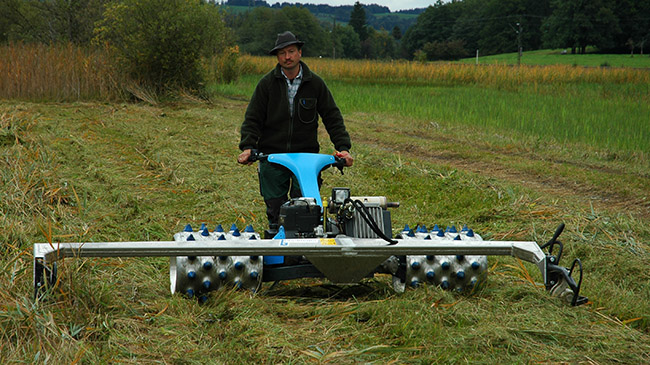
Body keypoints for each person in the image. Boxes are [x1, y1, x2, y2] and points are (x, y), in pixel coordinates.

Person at [237, 31, 353, 230]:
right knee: (276, 209)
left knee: (306, 207)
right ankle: (277, 239)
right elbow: (253, 118)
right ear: (277, 57)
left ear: (300, 53)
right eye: (282, 53)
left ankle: (306, 244)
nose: (287, 57)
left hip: (305, 156)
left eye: (291, 51)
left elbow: (332, 117)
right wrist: (248, 147)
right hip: (272, 155)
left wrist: (343, 148)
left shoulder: (315, 84)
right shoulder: (266, 84)